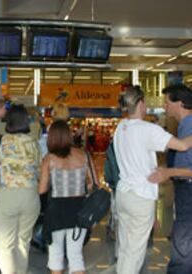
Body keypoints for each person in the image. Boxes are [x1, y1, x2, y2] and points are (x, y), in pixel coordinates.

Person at [113, 86, 192, 274]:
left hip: (123, 194)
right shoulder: (148, 129)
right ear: (141, 104)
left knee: (125, 249)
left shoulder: (120, 128)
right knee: (135, 253)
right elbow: (181, 146)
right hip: (141, 197)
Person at [0, 105, 41, 274]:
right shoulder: (33, 142)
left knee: (4, 247)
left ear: (8, 121)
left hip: (6, 197)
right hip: (31, 197)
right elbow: (39, 170)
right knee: (22, 244)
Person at [39, 120, 97, 274]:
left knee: (55, 255)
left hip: (56, 210)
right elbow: (93, 184)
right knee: (75, 255)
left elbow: (42, 188)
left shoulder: (49, 159)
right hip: (79, 210)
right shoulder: (84, 156)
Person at [148, 84, 192, 274]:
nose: (165, 106)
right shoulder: (183, 126)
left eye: (167, 102)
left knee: (183, 246)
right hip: (185, 192)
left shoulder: (189, 126)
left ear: (180, 103)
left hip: (189, 193)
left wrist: (169, 173)